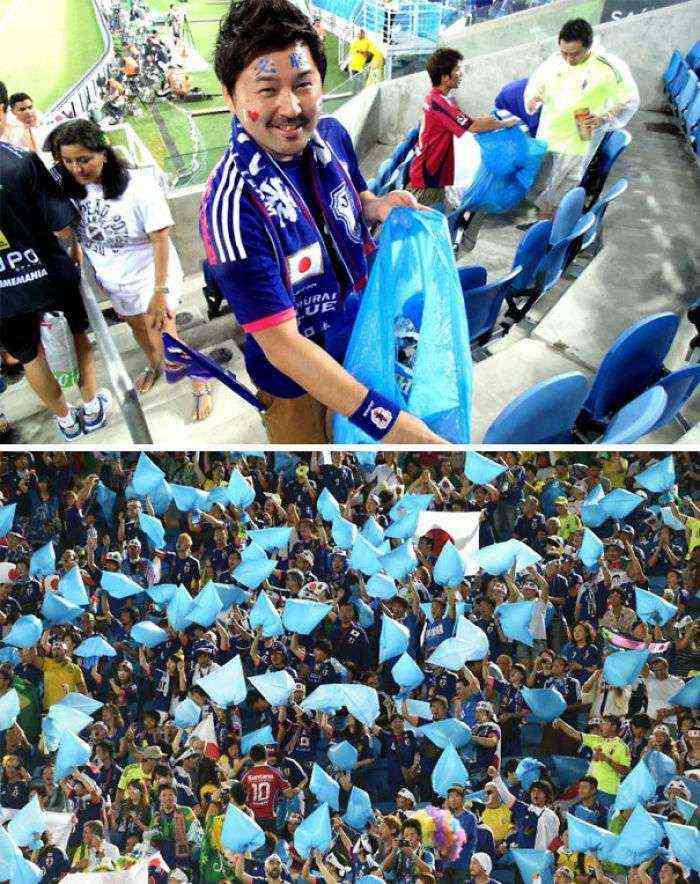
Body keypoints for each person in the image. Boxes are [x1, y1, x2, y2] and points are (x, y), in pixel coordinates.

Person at [201, 0, 443, 443]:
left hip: (359, 338)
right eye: (268, 89)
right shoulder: (231, 210)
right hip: (295, 384)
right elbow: (283, 345)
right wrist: (390, 425)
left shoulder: (331, 136)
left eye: (304, 84)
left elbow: (356, 195)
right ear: (230, 96)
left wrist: (378, 205)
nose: (292, 108)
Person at [52, 119, 213, 421]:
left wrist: (160, 291)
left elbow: (161, 239)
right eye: (69, 161)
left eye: (83, 159)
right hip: (113, 278)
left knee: (164, 335)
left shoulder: (137, 186)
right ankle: (154, 365)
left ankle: (200, 383)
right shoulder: (72, 189)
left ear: (104, 153)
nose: (76, 168)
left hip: (150, 274)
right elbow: (72, 231)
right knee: (137, 327)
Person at [0, 83, 111, 440]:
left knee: (29, 356)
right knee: (79, 336)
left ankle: (65, 420)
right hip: (47, 272)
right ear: (3, 110)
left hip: (3, 295)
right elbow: (62, 223)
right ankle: (91, 407)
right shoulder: (21, 161)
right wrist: (74, 251)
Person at [524, 18, 639, 219]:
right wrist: (534, 97)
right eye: (564, 52)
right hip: (551, 127)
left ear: (588, 45)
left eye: (574, 54)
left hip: (580, 126)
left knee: (565, 182)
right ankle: (543, 221)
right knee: (547, 179)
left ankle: (547, 229)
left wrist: (603, 118)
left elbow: (628, 98)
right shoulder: (556, 60)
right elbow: (539, 84)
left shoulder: (606, 67)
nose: (569, 58)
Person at [407, 48, 519, 208]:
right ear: (445, 78)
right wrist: (503, 123)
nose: (461, 74)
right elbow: (473, 126)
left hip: (431, 175)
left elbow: (467, 121)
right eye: (457, 70)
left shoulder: (437, 99)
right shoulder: (440, 103)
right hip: (427, 180)